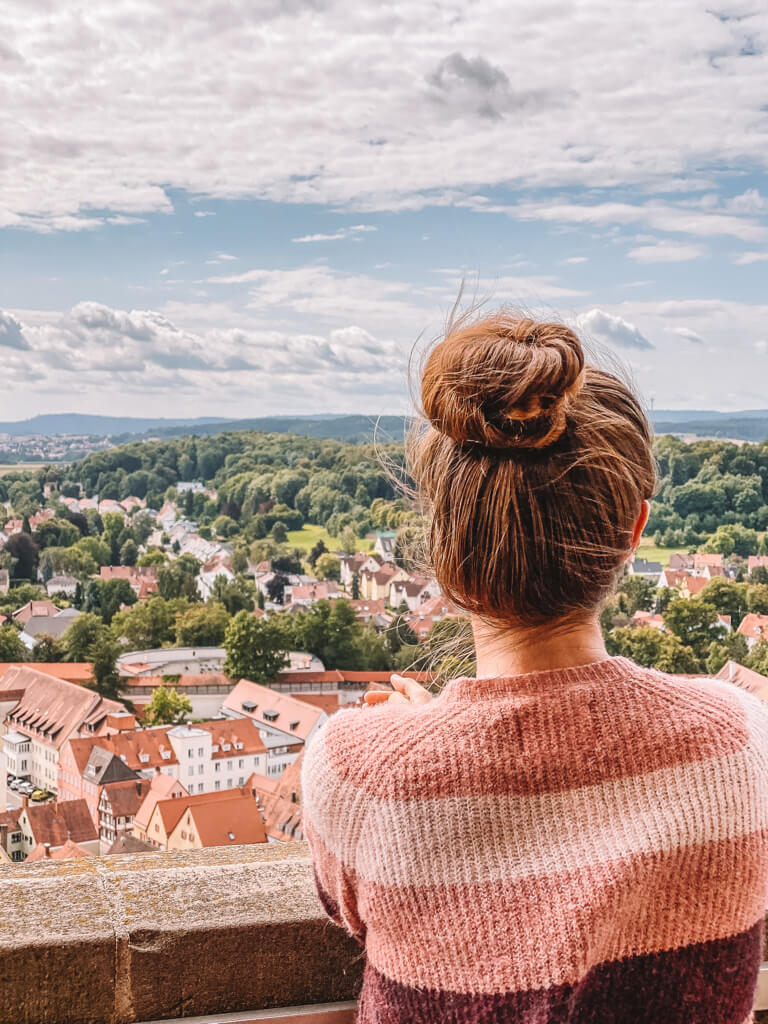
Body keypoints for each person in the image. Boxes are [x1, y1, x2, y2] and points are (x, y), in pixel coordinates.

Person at [301, 312, 768, 1023]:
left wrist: (414, 739)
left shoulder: (356, 769)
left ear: (445, 546)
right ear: (633, 533)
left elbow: (349, 900)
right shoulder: (741, 744)